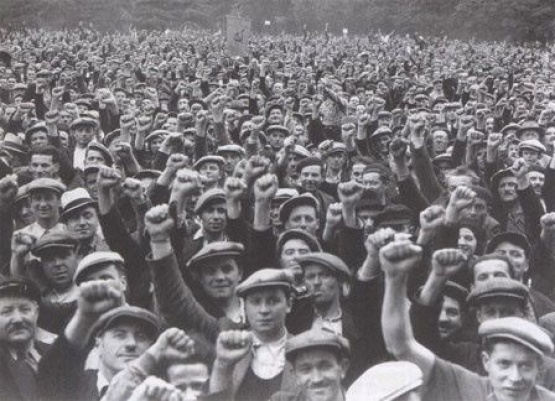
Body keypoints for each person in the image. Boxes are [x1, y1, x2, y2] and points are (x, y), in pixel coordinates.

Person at [380, 239, 555, 401]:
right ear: (487, 362)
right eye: (504, 364)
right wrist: (394, 278)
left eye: (525, 366)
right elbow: (401, 344)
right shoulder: (472, 382)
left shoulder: (550, 377)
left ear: (539, 367)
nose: (514, 377)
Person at [0, 278, 48, 401]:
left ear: (36, 313)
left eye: (24, 310)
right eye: (6, 312)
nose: (17, 319)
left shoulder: (57, 354)